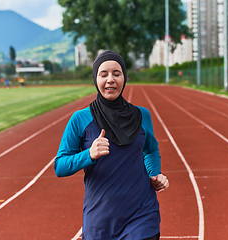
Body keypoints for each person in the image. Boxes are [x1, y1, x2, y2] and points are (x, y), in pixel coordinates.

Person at [54, 50, 169, 240]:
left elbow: (151, 149)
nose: (110, 80)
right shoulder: (80, 119)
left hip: (142, 214)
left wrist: (154, 173)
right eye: (103, 74)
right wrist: (89, 154)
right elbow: (60, 166)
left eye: (117, 73)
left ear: (124, 77)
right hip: (100, 219)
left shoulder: (142, 115)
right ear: (95, 79)